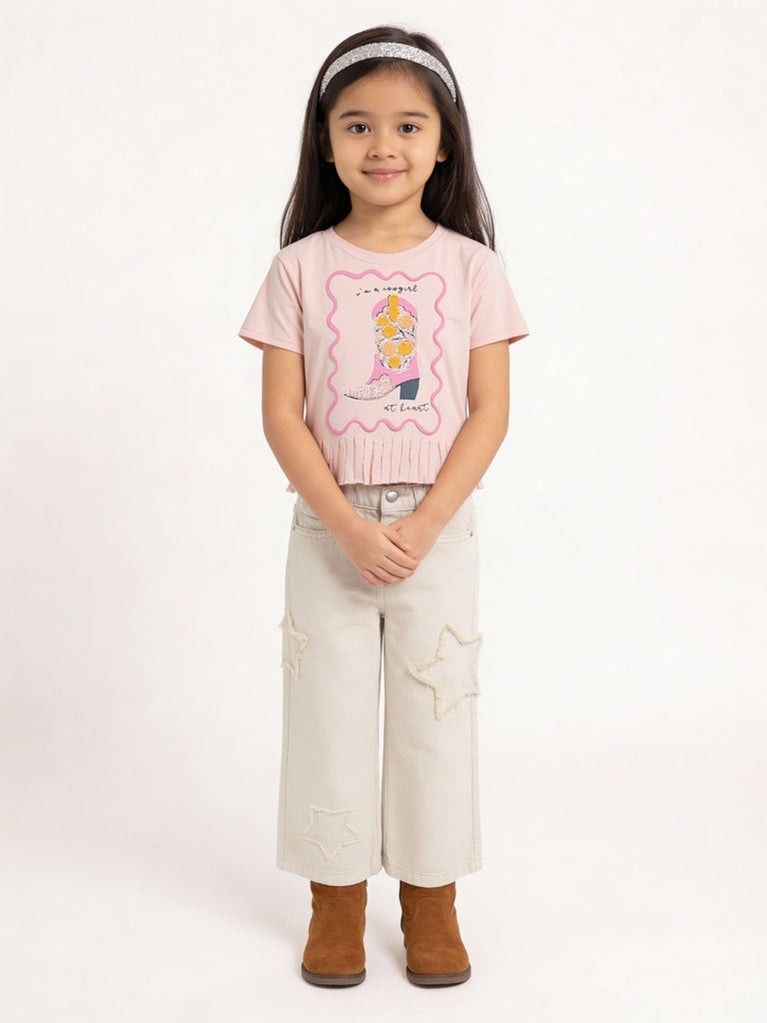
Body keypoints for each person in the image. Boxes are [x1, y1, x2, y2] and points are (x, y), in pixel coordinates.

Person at [237, 25, 530, 988]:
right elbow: (281, 416)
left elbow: (489, 412)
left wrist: (425, 523)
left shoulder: (472, 268)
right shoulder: (299, 267)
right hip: (329, 526)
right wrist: (349, 526)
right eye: (356, 125)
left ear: (444, 143)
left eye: (408, 125)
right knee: (325, 713)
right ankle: (334, 900)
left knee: (432, 717)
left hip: (437, 527)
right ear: (325, 142)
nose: (382, 145)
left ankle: (431, 899)